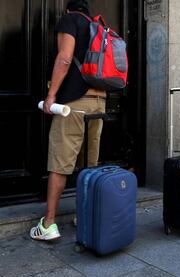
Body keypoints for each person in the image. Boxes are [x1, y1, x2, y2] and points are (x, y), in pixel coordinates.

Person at [30, 0, 106, 241]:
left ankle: (49, 224)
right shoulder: (98, 28)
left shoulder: (69, 20)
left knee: (60, 163)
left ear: (68, 9)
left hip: (73, 105)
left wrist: (51, 96)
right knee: (89, 165)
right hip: (99, 102)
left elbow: (65, 58)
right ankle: (86, 216)